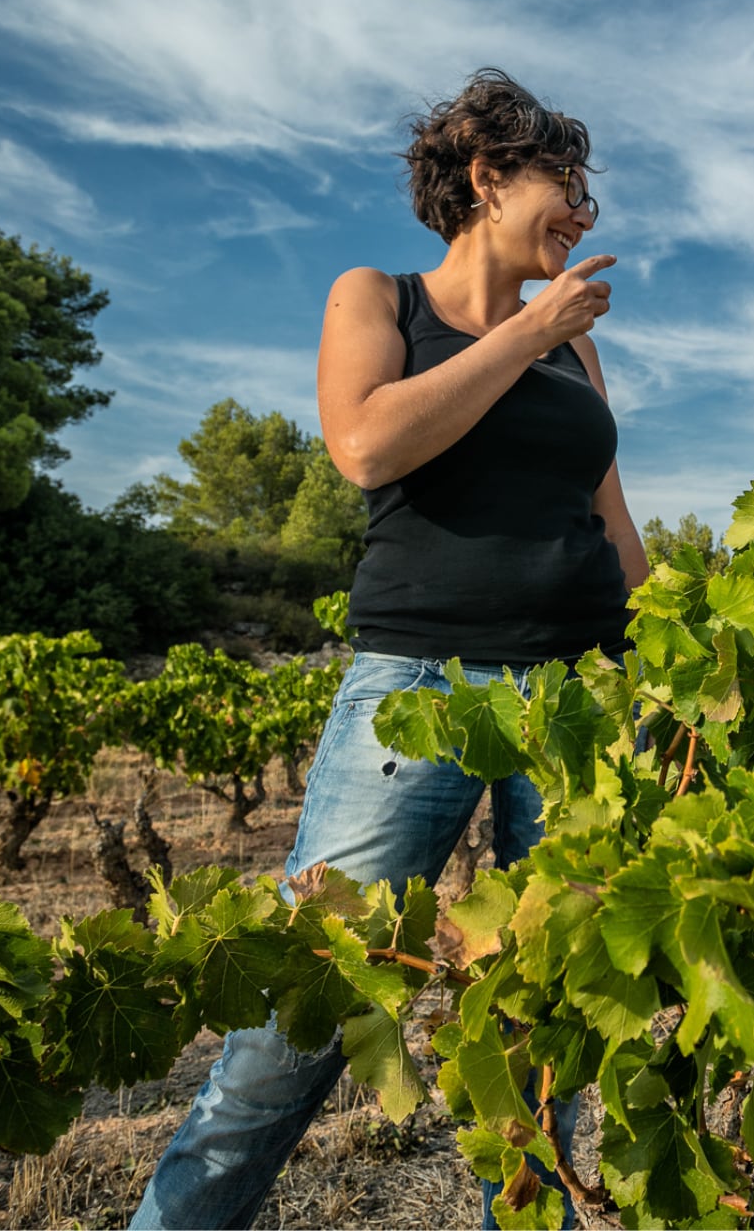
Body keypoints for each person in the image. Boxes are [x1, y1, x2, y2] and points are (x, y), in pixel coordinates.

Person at [130, 69, 648, 1231]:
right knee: (298, 1014)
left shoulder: (574, 347)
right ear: (487, 176)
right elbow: (367, 446)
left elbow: (612, 523)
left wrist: (666, 663)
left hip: (572, 704)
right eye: (567, 188)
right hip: (416, 687)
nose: (581, 217)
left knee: (539, 1034)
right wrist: (525, 335)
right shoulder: (380, 296)